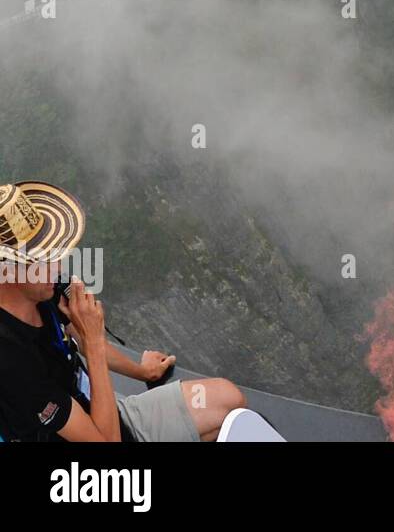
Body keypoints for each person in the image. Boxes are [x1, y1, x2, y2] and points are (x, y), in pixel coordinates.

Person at [0, 181, 246, 441]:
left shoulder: (42, 290)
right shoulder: (10, 360)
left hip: (98, 407)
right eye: (44, 259)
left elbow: (80, 337)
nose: (58, 266)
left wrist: (142, 371)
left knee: (230, 401)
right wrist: (94, 341)